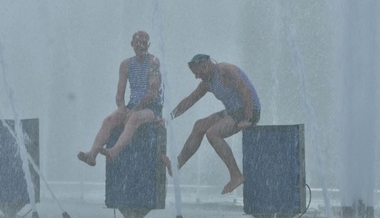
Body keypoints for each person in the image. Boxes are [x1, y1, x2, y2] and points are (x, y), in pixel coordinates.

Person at [166, 54, 261, 194]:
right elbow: (190, 100)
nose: (197, 77)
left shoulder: (225, 71)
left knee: (213, 133)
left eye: (197, 72)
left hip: (250, 109)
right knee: (199, 126)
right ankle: (176, 165)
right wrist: (169, 118)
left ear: (206, 65)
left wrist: (248, 118)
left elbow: (245, 90)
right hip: (233, 111)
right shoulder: (207, 83)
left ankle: (236, 175)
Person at [77, 31, 163, 166]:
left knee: (134, 118)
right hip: (132, 105)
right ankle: (92, 154)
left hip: (151, 107)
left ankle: (114, 151)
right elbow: (119, 93)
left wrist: (134, 110)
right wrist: (122, 109)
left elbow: (153, 92)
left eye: (144, 43)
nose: (141, 46)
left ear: (149, 45)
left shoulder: (153, 62)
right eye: (138, 43)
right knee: (109, 120)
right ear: (132, 44)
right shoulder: (126, 65)